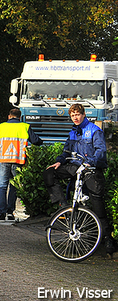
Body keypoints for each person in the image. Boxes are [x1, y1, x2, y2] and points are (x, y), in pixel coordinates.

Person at [43, 103, 116, 256]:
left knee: (97, 206)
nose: (75, 118)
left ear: (83, 114)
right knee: (50, 172)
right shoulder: (73, 132)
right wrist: (60, 161)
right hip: (75, 167)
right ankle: (63, 207)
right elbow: (66, 151)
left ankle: (108, 239)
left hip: (91, 169)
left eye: (77, 114)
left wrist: (90, 163)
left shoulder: (95, 130)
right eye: (72, 115)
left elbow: (101, 151)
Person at [0, 108, 43, 221]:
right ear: (20, 117)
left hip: (3, 160)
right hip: (18, 161)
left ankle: (1, 214)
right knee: (14, 186)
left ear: (9, 116)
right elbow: (35, 140)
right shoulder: (24, 126)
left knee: (1, 186)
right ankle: (10, 212)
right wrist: (41, 142)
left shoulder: (1, 127)